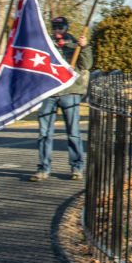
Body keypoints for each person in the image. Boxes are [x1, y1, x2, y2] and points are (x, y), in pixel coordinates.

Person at [29, 16, 91, 182]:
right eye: (55, 27)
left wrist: (84, 48)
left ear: (66, 27)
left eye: (61, 27)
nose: (57, 30)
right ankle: (43, 168)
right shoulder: (45, 45)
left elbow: (86, 65)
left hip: (70, 93)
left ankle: (77, 167)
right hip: (49, 93)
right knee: (44, 133)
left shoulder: (75, 45)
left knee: (73, 133)